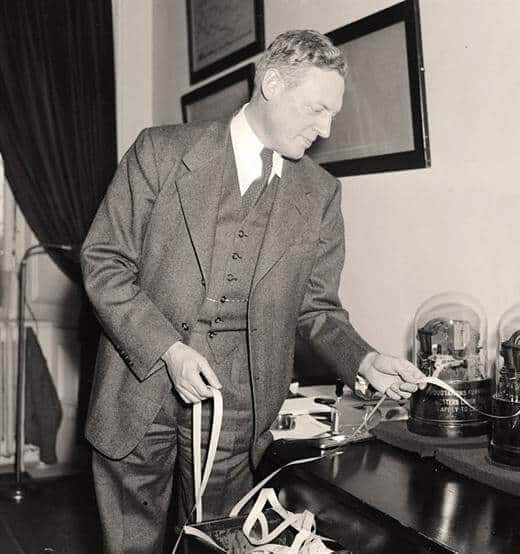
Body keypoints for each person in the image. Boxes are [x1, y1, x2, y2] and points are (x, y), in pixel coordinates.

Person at [81, 29, 426, 552]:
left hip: (239, 412)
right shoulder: (160, 152)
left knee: (218, 545)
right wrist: (168, 350)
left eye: (332, 113)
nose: (326, 128)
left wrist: (363, 360)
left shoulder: (321, 194)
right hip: (139, 389)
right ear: (270, 84)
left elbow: (317, 310)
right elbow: (105, 262)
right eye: (315, 109)